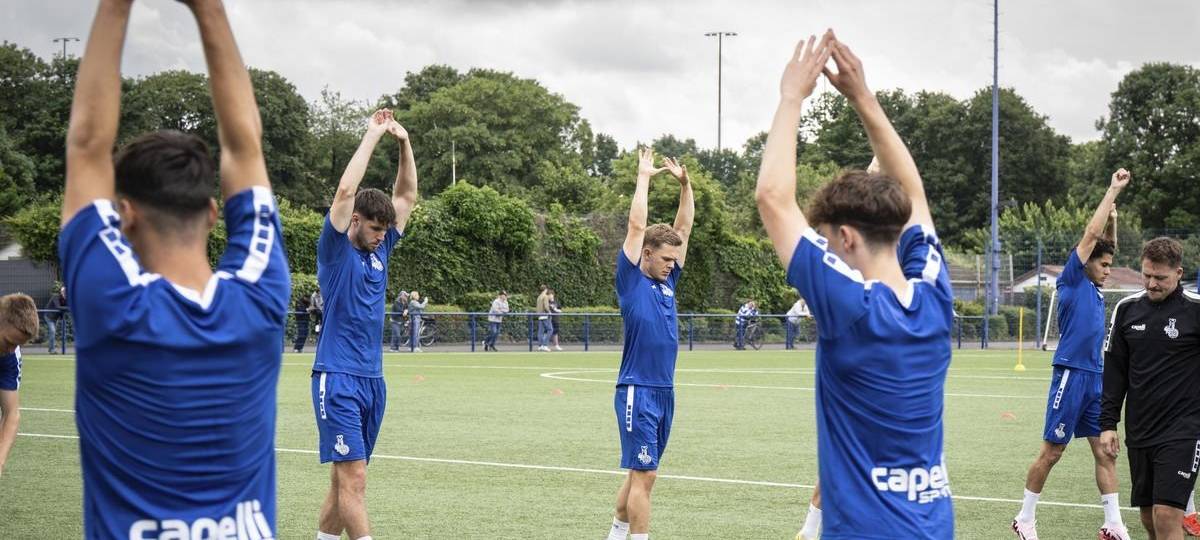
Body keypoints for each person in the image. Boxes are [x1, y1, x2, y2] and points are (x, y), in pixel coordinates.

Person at [59, 0, 291, 535]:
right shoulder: (261, 295)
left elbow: (88, 146)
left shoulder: (112, 304)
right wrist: (208, 8)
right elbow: (244, 145)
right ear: (213, 213)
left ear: (126, 215)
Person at [756, 31, 954, 538]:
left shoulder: (850, 307)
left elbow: (774, 199)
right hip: (934, 527)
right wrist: (863, 97)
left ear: (845, 237)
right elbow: (914, 193)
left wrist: (790, 97)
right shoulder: (935, 295)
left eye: (825, 236)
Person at [310, 105, 416, 540]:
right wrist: (373, 134)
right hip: (337, 377)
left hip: (373, 379)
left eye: (383, 231)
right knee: (354, 479)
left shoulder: (382, 249)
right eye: (373, 228)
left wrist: (404, 143)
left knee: (343, 482)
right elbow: (345, 189)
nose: (379, 236)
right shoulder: (337, 251)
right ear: (355, 220)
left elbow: (407, 196)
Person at [1013, 170, 1130, 540]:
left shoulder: (1094, 284)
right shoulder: (1073, 277)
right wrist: (1110, 190)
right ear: (1086, 263)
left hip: (1095, 376)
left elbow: (1105, 243)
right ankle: (1025, 518)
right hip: (1070, 374)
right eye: (1104, 265)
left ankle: (1112, 524)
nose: (1109, 271)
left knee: (1105, 452)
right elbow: (1092, 238)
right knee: (1052, 453)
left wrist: (1113, 216)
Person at [604, 147, 694, 540]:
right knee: (647, 474)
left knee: (640, 473)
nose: (672, 264)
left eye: (674, 259)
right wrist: (644, 177)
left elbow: (685, 229)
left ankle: (615, 534)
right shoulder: (632, 281)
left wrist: (686, 186)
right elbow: (636, 225)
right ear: (646, 255)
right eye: (665, 259)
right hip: (637, 391)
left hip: (664, 391)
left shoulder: (667, 282)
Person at [1101, 237, 1200, 540]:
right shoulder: (1127, 309)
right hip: (1141, 429)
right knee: (1148, 518)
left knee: (1168, 514)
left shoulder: (1195, 310)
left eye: (1160, 277)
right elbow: (1115, 371)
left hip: (1184, 429)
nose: (1152, 283)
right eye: (1146, 275)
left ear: (1179, 273)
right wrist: (1108, 424)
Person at [0, 293, 38, 478]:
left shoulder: (10, 358)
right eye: (8, 342)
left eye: (17, 345)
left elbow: (11, 413)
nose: (11, 350)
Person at [44, 286, 66, 353]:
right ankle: (52, 350)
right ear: (61, 292)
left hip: (55, 318)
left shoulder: (66, 300)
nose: (65, 293)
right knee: (53, 331)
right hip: (48, 317)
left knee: (55, 332)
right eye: (64, 292)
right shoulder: (55, 297)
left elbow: (65, 309)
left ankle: (53, 348)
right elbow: (58, 307)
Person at [537, 285, 553, 352]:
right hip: (545, 315)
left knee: (540, 331)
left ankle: (540, 346)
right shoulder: (545, 296)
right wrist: (549, 312)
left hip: (539, 315)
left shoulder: (539, 297)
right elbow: (546, 307)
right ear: (545, 289)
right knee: (550, 330)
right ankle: (545, 345)